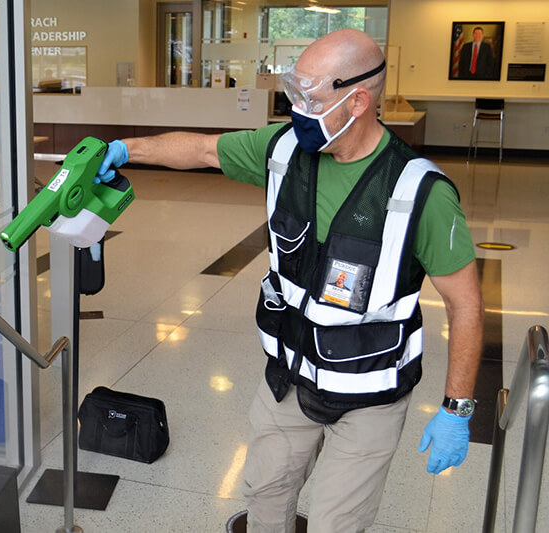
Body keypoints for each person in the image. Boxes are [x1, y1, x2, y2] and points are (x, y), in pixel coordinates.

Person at [95, 29, 484, 533]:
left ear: (357, 100)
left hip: (369, 393)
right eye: (293, 93)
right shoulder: (284, 149)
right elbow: (204, 151)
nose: (295, 107)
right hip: (288, 380)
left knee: (333, 524)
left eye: (310, 97)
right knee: (265, 496)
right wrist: (125, 149)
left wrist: (456, 409)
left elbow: (466, 306)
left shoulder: (419, 193)